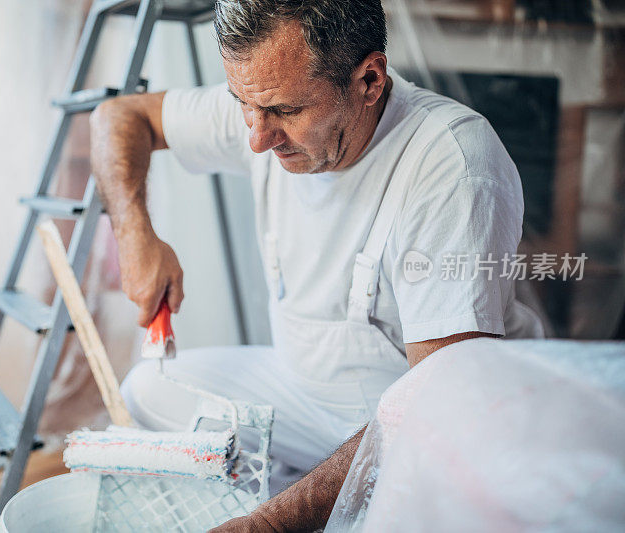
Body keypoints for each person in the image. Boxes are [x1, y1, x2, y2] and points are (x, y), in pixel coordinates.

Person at [90, 0, 544, 529]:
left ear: (369, 81)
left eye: (285, 112)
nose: (258, 139)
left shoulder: (453, 167)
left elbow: (437, 408)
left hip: (431, 430)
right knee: (148, 390)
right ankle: (314, 494)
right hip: (307, 396)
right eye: (243, 104)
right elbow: (119, 117)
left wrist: (264, 525)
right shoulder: (265, 95)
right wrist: (134, 235)